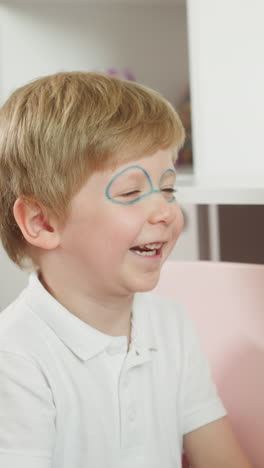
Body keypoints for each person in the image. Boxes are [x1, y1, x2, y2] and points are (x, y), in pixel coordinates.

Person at [0, 72, 251, 468]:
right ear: (43, 222)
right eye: (131, 193)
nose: (166, 211)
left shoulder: (171, 326)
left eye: (169, 190)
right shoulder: (14, 357)